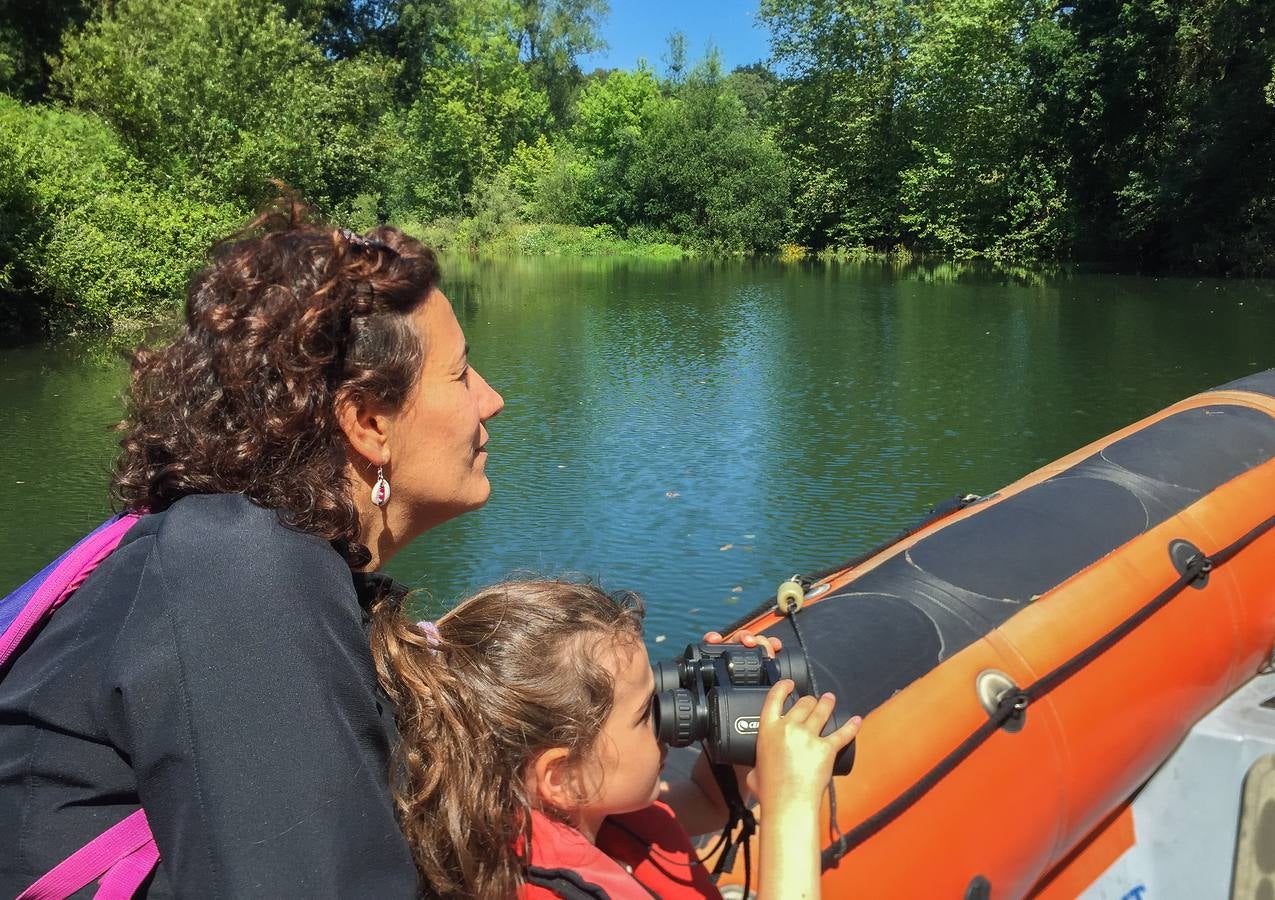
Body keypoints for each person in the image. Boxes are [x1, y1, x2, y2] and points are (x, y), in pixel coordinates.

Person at [0, 199, 503, 897]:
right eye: (461, 374)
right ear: (366, 422)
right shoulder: (238, 573)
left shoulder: (227, 551)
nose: (492, 400)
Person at [368, 578, 862, 899]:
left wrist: (734, 711)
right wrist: (791, 806)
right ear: (561, 775)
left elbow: (711, 806)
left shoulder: (567, 813)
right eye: (648, 711)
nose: (672, 717)